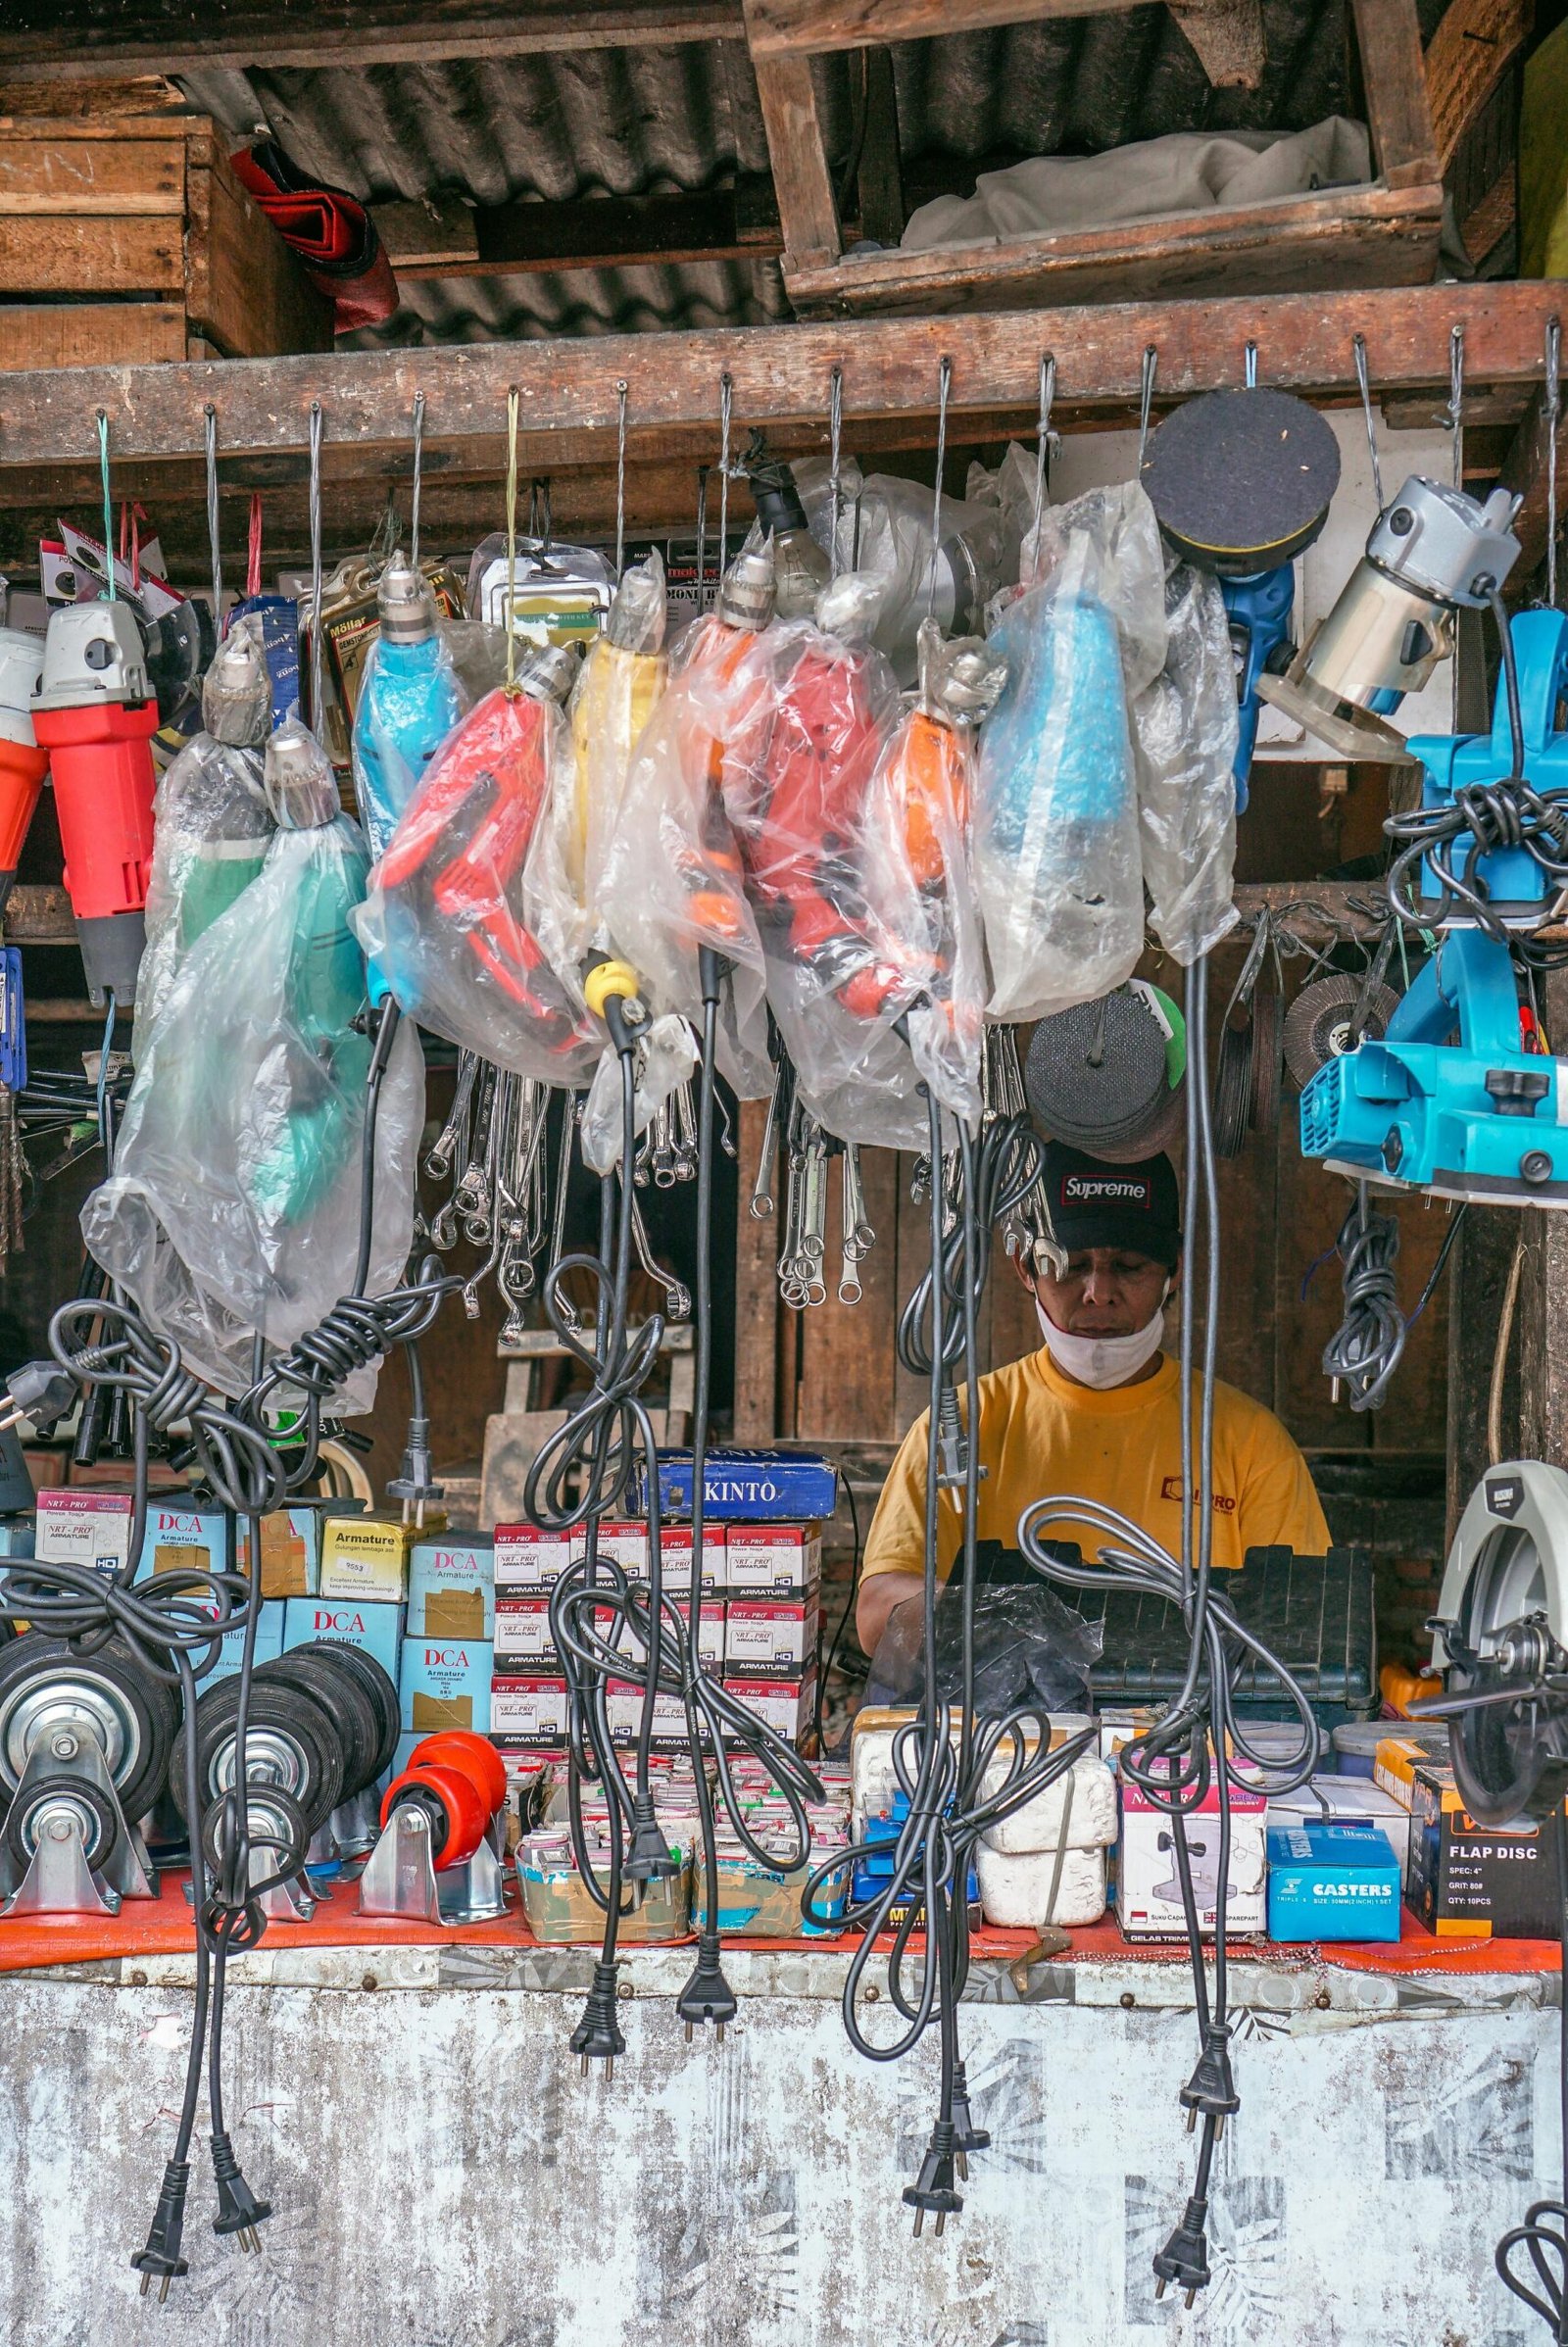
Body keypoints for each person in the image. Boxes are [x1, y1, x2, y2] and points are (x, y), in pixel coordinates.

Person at [856, 1140, 1331, 1655]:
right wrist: (1016, 1623)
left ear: (1175, 1271)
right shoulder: (960, 1426)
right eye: (1071, 1264)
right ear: (1024, 1267)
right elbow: (879, 1614)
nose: (1098, 1292)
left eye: (1128, 1266)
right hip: (1011, 1729)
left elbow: (1309, 1621)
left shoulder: (1249, 1442)